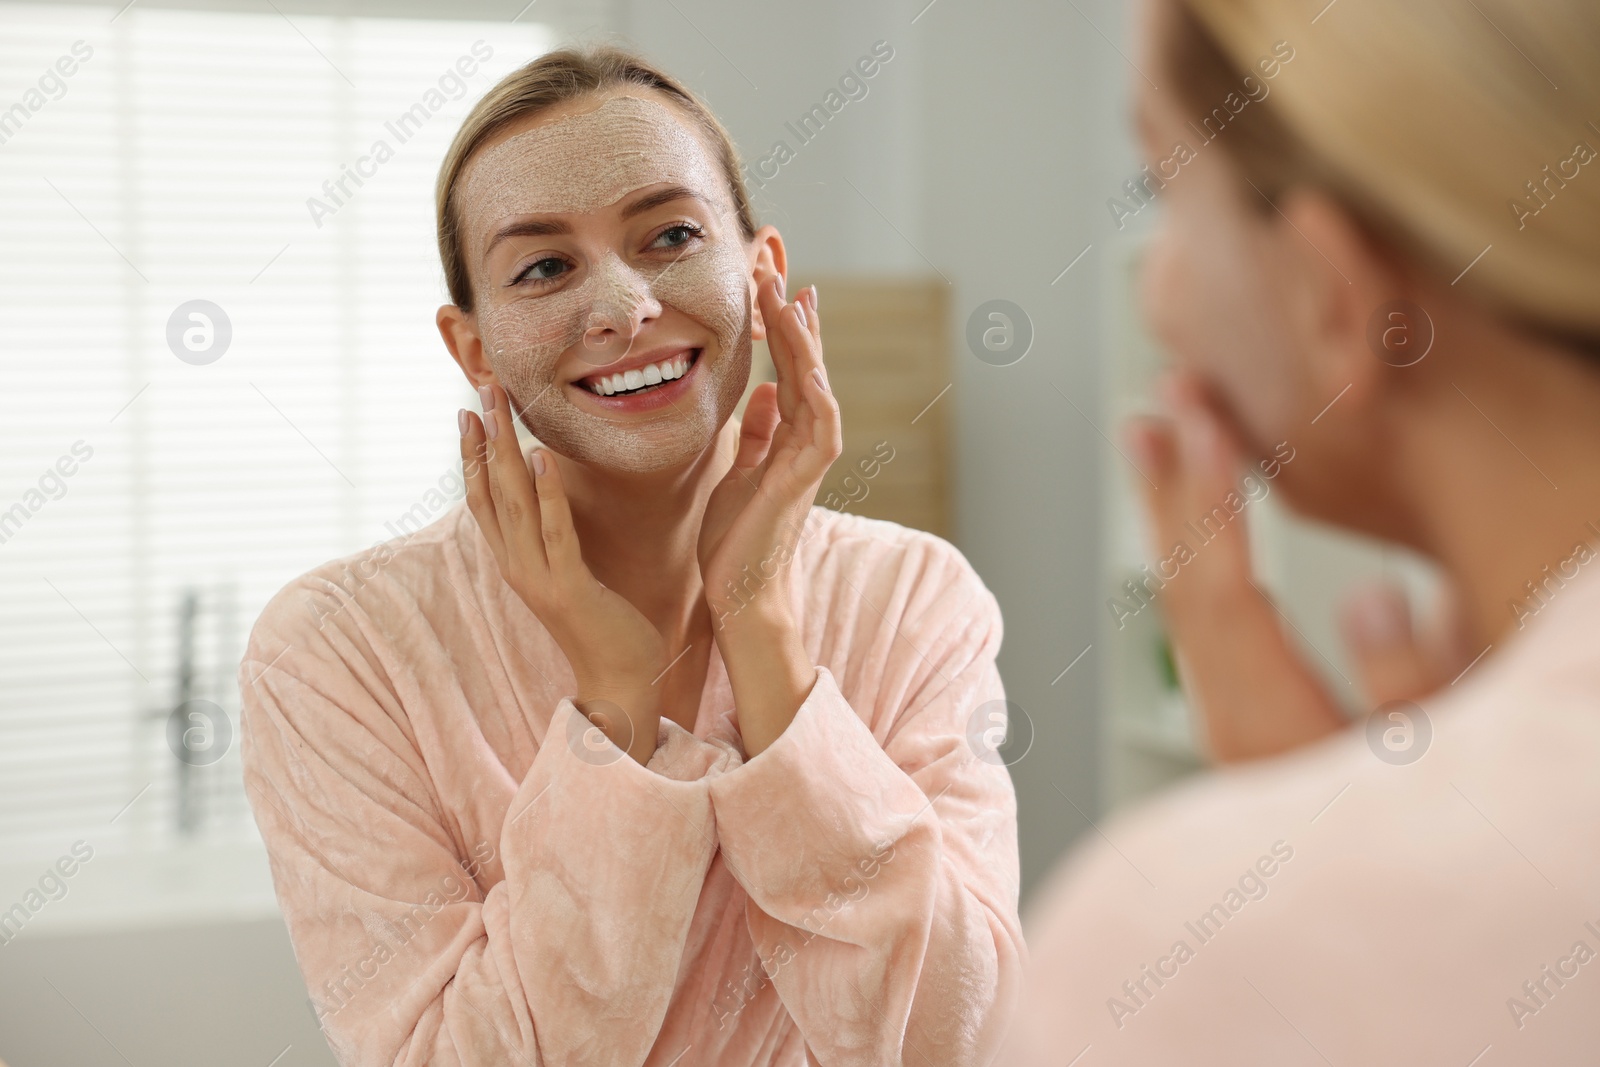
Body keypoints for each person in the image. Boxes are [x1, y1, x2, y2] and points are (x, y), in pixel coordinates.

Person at [237, 46, 1021, 1066]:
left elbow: (953, 1038)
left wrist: (766, 636)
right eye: (545, 267)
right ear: (471, 347)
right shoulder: (338, 654)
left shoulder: (913, 598)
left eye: (670, 235)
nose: (621, 306)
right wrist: (612, 706)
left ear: (762, 272)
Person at [1005, 0, 1600, 1063]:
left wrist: (1320, 896)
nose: (1158, 299)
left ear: (1334, 295)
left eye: (1161, 194)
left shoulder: (1167, 950)